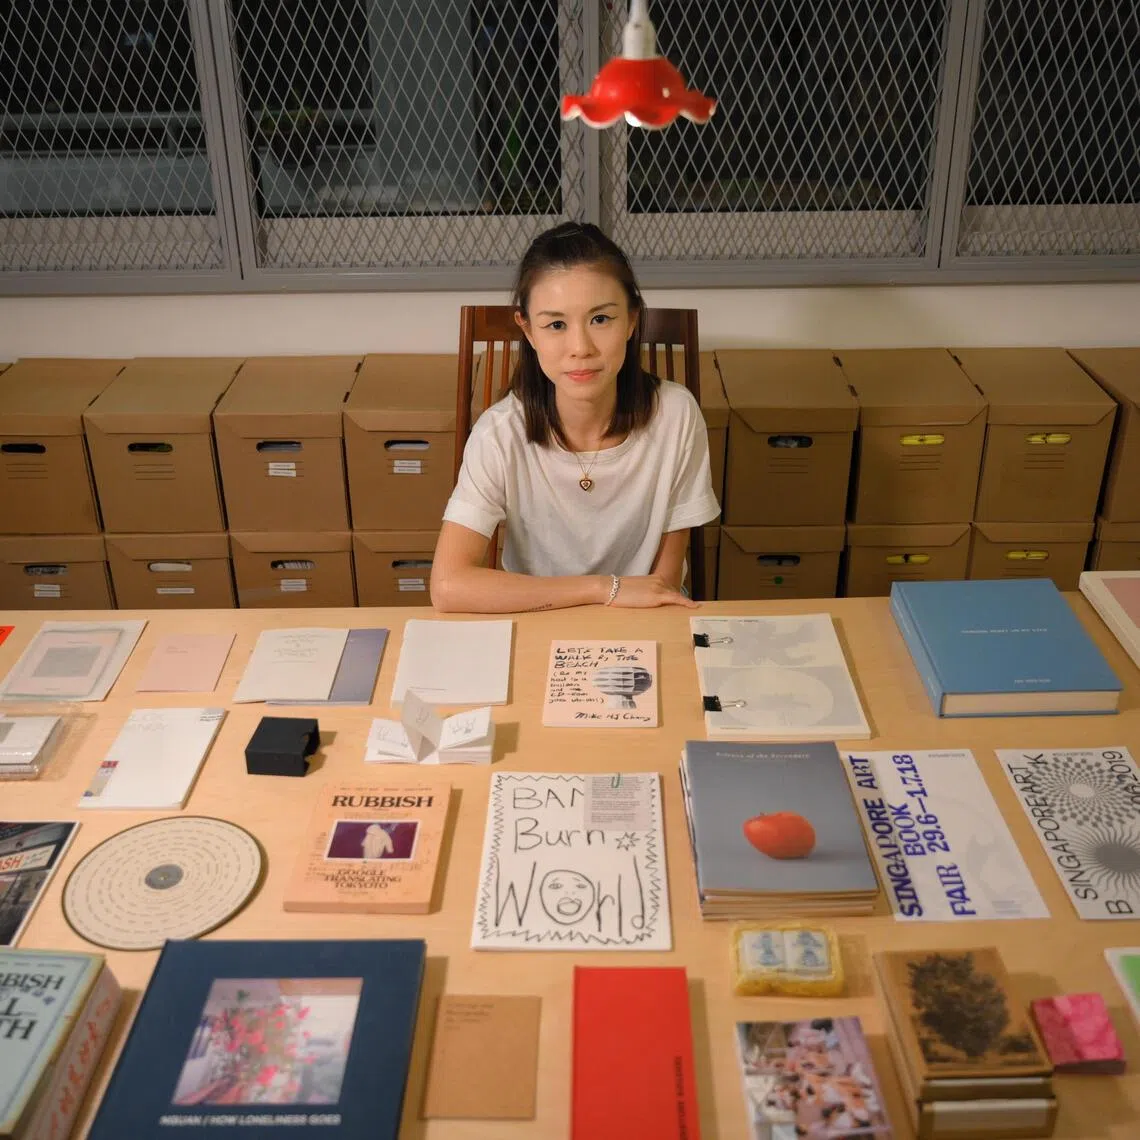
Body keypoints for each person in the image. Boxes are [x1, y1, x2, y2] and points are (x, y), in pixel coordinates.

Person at [431, 221, 720, 614]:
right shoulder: (499, 433)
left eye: (601, 319)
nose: (580, 348)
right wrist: (606, 588)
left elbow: (664, 584)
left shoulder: (676, 414)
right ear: (529, 331)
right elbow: (448, 586)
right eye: (556, 325)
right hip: (537, 619)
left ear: (632, 320)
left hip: (644, 621)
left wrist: (615, 605)